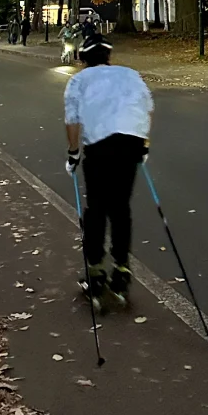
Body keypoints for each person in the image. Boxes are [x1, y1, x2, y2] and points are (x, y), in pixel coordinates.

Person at [64, 32, 152, 307]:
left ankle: (95, 269)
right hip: (131, 143)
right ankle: (122, 266)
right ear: (108, 56)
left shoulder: (78, 80)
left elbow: (72, 120)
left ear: (84, 58)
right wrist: (144, 145)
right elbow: (147, 108)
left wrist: (73, 153)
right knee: (121, 206)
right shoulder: (130, 75)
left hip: (101, 146)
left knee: (97, 208)